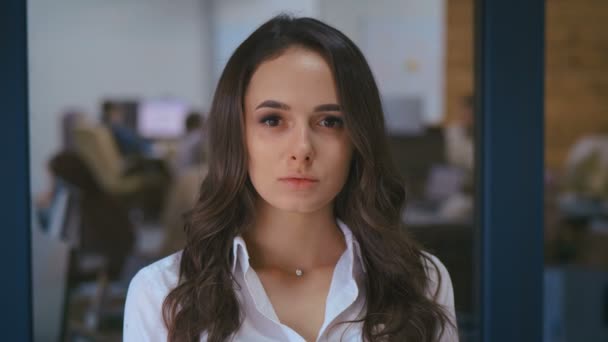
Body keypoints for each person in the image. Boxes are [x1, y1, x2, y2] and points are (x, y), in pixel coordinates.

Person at [124, 15, 458, 342]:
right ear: (237, 133)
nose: (301, 149)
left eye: (330, 122)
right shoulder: (163, 294)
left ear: (358, 139)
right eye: (272, 121)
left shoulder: (421, 281)